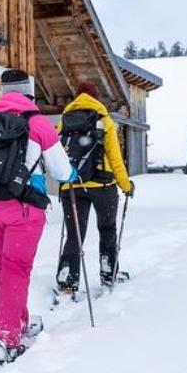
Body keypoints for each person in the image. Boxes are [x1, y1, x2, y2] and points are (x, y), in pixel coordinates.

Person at [0, 69, 77, 365]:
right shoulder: (39, 125)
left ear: (3, 92)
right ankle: (6, 337)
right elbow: (61, 171)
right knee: (15, 269)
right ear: (29, 93)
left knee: (7, 268)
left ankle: (17, 320)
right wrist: (73, 175)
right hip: (24, 211)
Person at [56, 80, 135, 295]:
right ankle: (108, 271)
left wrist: (62, 183)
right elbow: (115, 158)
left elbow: (59, 155)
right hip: (103, 185)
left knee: (74, 234)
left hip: (72, 186)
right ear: (96, 97)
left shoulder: (64, 121)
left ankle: (67, 279)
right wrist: (126, 185)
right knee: (107, 229)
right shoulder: (104, 120)